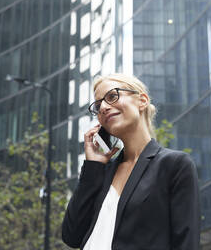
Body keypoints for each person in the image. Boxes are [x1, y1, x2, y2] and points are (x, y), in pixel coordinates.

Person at [62, 73, 201, 249]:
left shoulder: (174, 165)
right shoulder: (100, 173)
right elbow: (71, 236)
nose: (103, 107)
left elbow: (186, 243)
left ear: (142, 100)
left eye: (112, 96)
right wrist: (93, 166)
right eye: (97, 106)